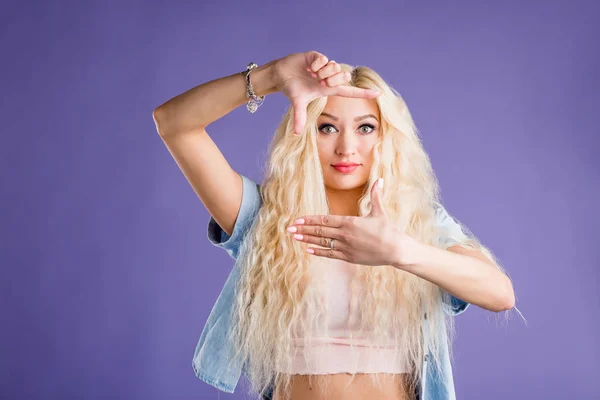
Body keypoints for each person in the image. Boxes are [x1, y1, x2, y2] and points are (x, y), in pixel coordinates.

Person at [152, 51, 516, 400]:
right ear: (305, 133)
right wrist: (271, 76)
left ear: (387, 137)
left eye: (366, 128)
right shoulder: (265, 217)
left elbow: (500, 294)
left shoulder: (416, 224)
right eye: (327, 127)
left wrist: (400, 251)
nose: (346, 147)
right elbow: (174, 123)